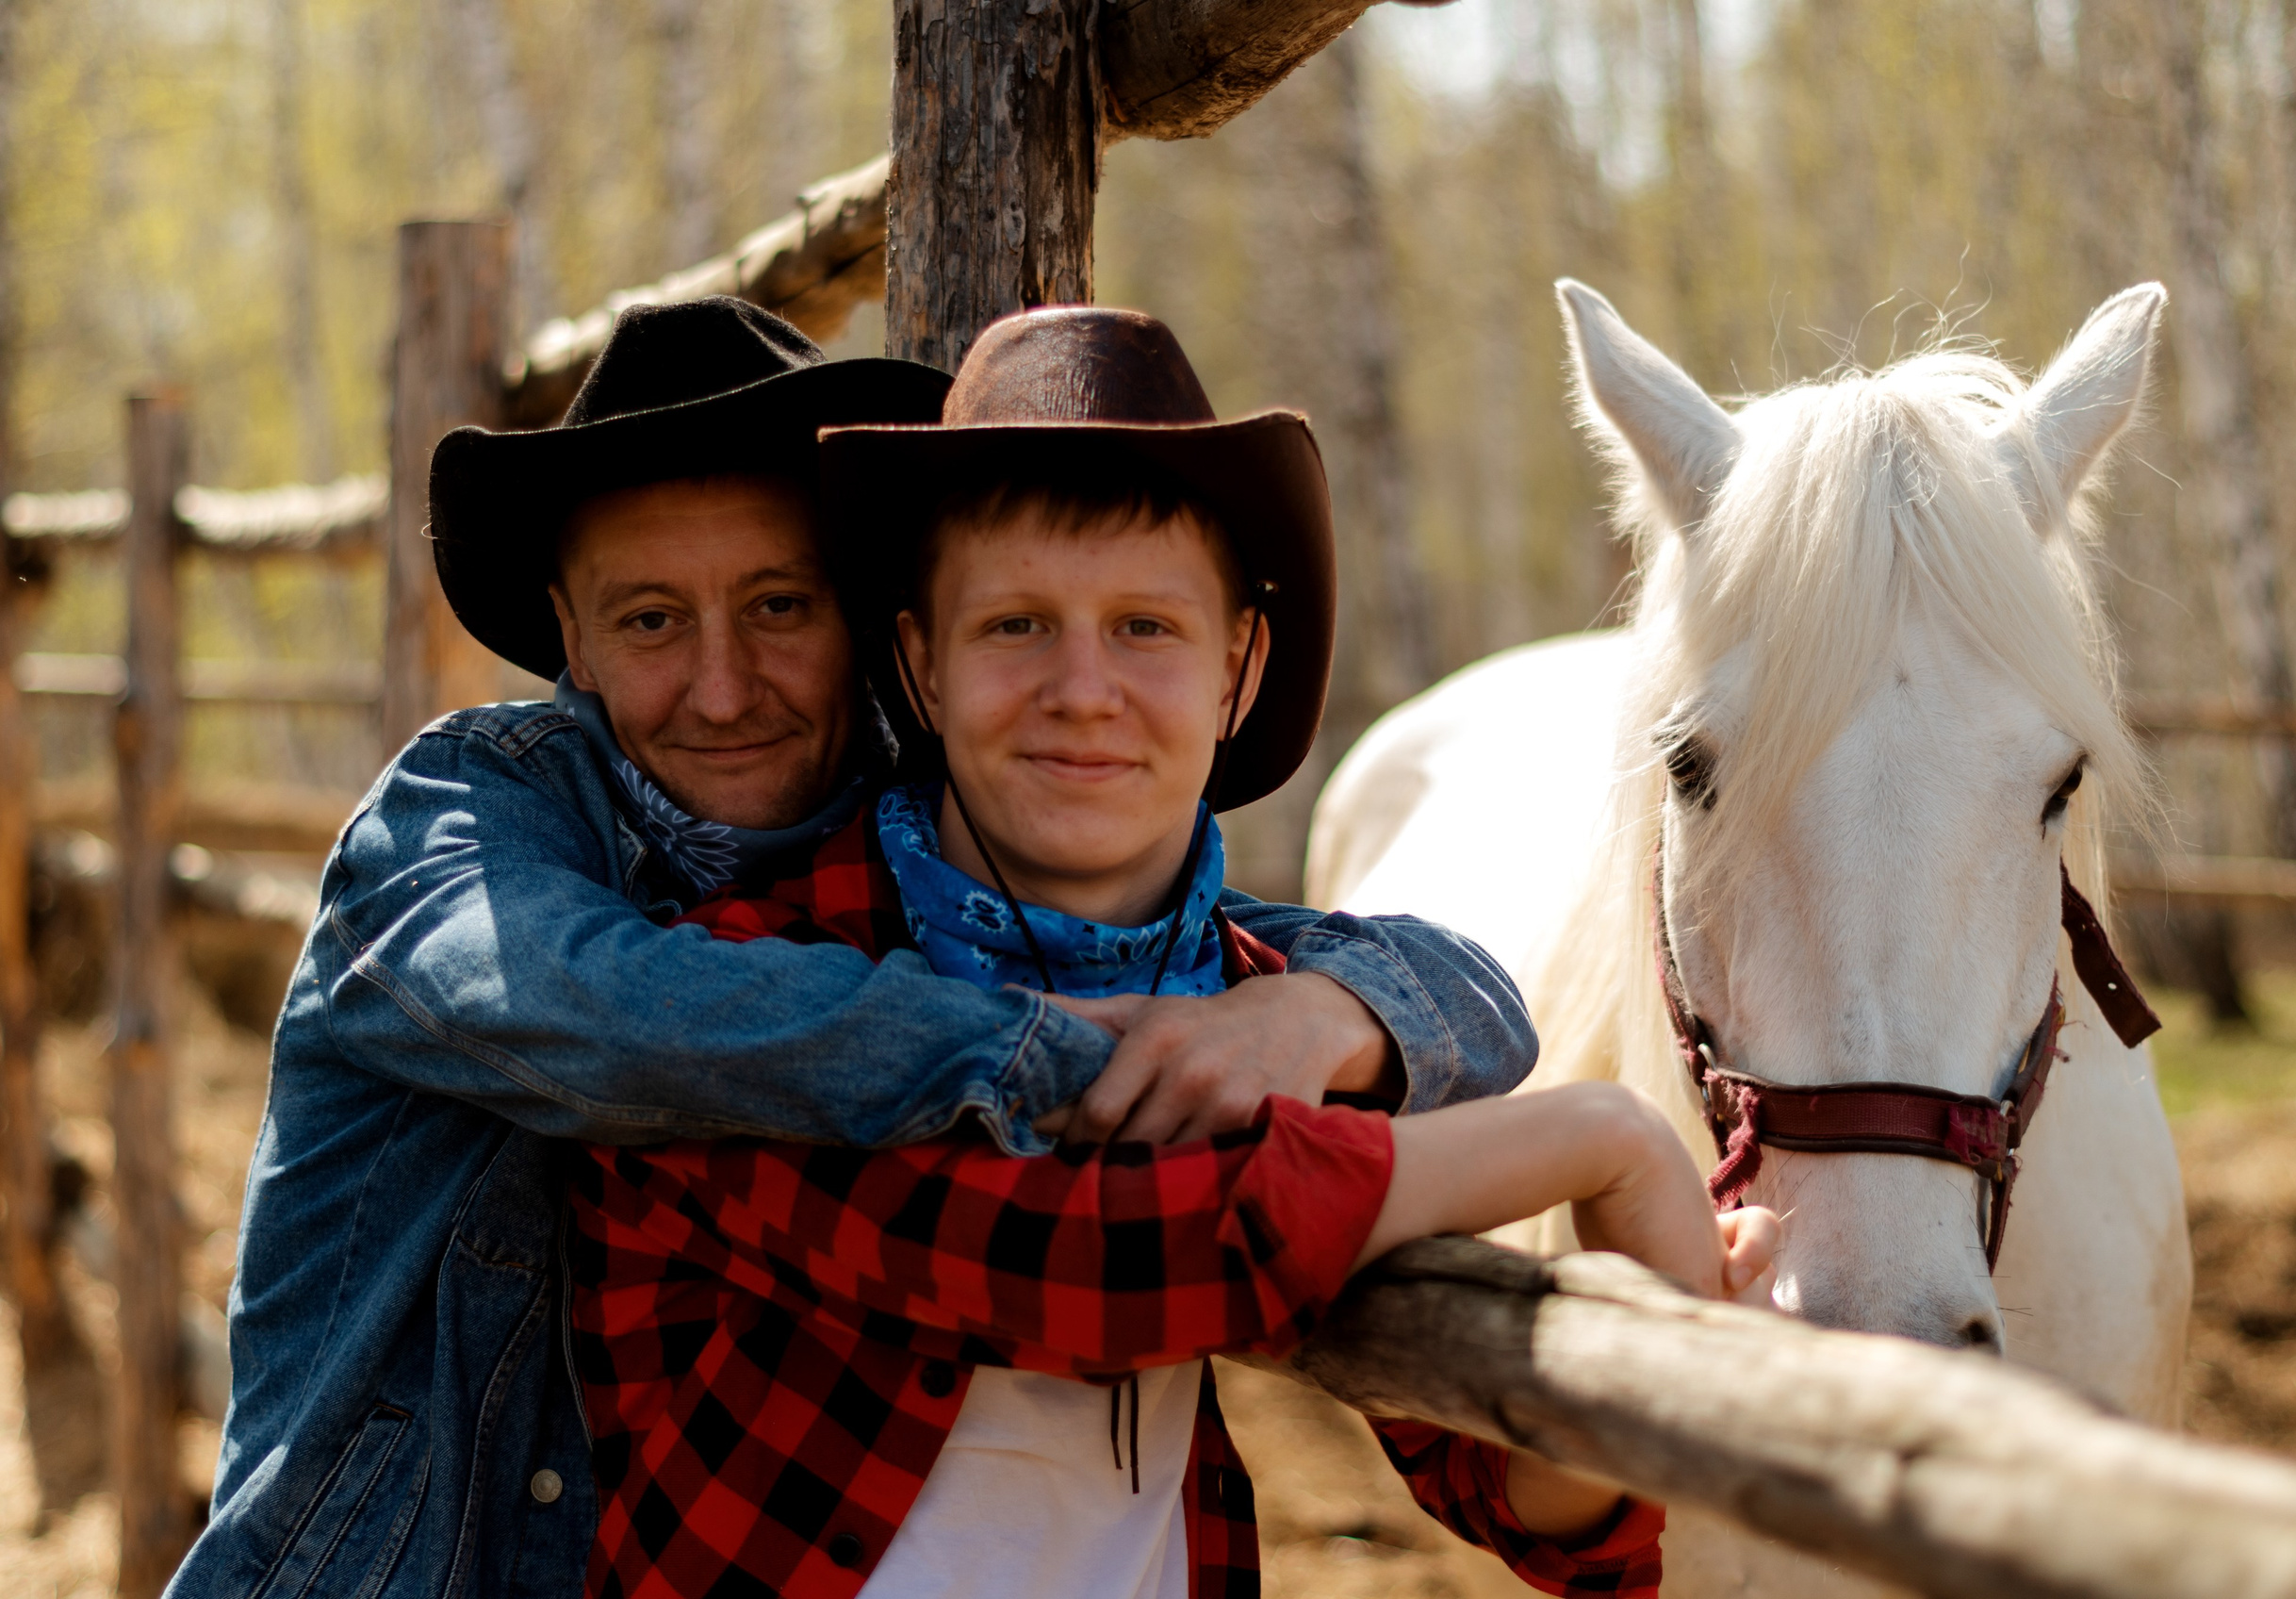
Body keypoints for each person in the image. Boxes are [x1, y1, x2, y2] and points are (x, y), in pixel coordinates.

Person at [169, 300, 1549, 1599]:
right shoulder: (467, 823)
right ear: (571, 639)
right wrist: (1059, 1053)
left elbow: (1301, 956)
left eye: (778, 607)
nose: (721, 686)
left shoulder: (931, 861)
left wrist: (1328, 1012)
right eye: (652, 620)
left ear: (865, 637)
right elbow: (619, 1011)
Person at [567, 306, 1779, 1599]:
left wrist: (1648, 1312)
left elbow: (1529, 1509)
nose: (1083, 688)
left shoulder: (1259, 1010)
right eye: (1015, 626)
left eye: (1146, 627)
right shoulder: (739, 991)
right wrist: (1600, 1140)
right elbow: (1094, 1267)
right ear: (918, 666)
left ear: (1236, 669)